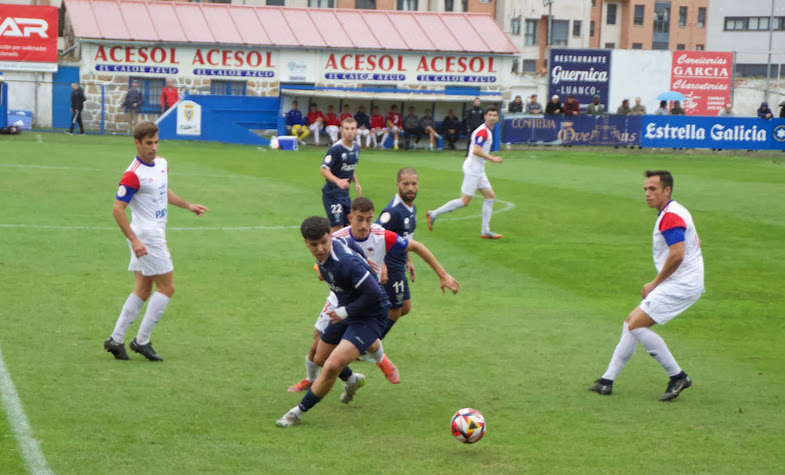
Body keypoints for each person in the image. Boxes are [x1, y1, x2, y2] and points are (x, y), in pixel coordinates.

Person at [287, 196, 460, 393]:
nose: (364, 225)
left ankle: (380, 360)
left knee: (364, 331)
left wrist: (443, 274)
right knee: (317, 345)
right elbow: (322, 265)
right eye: (360, 219)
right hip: (339, 297)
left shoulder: (381, 235)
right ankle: (330, 378)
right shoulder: (338, 238)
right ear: (350, 217)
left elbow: (416, 246)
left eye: (369, 219)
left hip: (366, 297)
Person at [589, 170, 703, 401]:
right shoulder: (672, 211)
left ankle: (678, 376)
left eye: (653, 189)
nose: (647, 194)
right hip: (681, 281)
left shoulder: (671, 216)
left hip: (681, 284)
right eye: (645, 189)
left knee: (636, 326)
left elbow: (677, 255)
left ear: (667, 190)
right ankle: (606, 380)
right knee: (630, 322)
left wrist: (654, 283)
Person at [104, 121, 209, 362]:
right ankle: (141, 340)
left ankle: (116, 339)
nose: (153, 147)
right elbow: (117, 210)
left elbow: (163, 191)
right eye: (148, 143)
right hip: (147, 237)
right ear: (137, 143)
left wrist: (188, 205)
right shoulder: (132, 175)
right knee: (167, 287)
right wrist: (134, 240)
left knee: (142, 289)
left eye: (156, 142)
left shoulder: (161, 164)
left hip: (153, 234)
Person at [276, 216, 387, 428]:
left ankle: (296, 413)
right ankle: (352, 379)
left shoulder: (346, 263)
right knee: (320, 357)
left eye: (324, 242)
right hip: (348, 309)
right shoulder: (336, 245)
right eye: (314, 244)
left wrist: (346, 310)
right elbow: (352, 243)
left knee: (332, 365)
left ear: (330, 236)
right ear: (306, 243)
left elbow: (374, 294)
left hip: (371, 314)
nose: (320, 249)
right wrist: (364, 259)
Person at [427, 106, 503, 239]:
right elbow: (476, 150)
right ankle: (434, 214)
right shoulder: (483, 132)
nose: (492, 117)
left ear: (497, 117)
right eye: (489, 114)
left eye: (494, 115)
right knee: (464, 201)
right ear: (485, 116)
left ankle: (485, 230)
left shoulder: (486, 131)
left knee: (490, 196)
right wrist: (492, 158)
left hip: (478, 169)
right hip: (473, 169)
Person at [321, 117, 362, 233]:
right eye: (347, 128)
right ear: (341, 130)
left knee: (348, 226)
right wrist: (338, 181)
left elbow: (350, 167)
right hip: (332, 193)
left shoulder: (356, 147)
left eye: (352, 128)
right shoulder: (336, 149)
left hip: (345, 194)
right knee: (337, 228)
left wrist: (356, 182)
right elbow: (324, 170)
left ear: (356, 131)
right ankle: (330, 250)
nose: (349, 131)